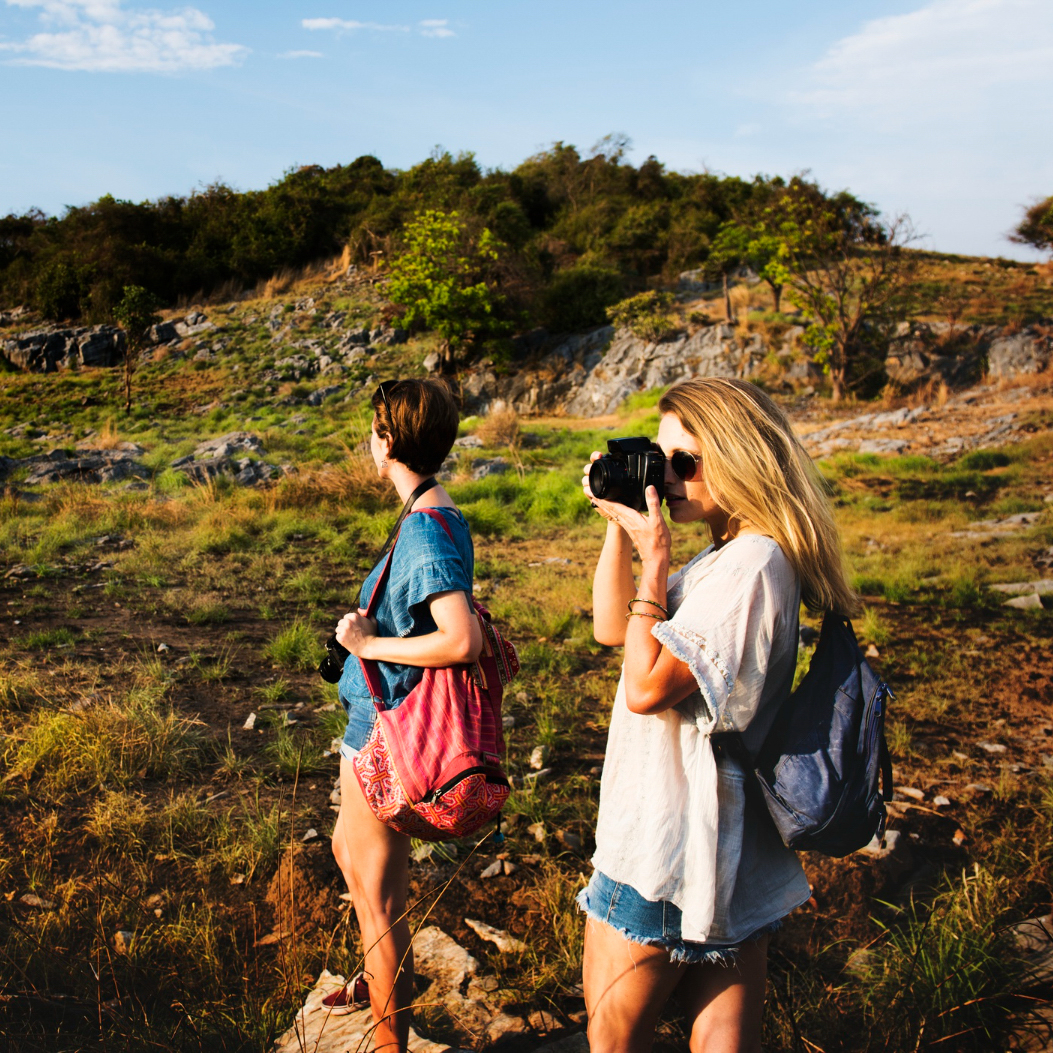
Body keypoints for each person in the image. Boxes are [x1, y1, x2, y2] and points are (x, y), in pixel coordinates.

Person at [579, 377, 859, 1053]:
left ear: (738, 458)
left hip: (667, 843)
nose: (668, 477)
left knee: (611, 1040)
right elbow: (613, 626)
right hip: (717, 842)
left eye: (686, 462)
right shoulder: (728, 557)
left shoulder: (753, 564)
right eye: (661, 457)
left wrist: (655, 562)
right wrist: (620, 524)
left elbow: (645, 685)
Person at [324, 378, 482, 1053]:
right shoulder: (434, 513)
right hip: (374, 725)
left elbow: (460, 636)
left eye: (372, 429)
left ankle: (389, 1038)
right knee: (348, 852)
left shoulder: (423, 530)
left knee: (376, 903)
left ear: (386, 441)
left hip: (386, 734)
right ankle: (377, 981)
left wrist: (365, 643)